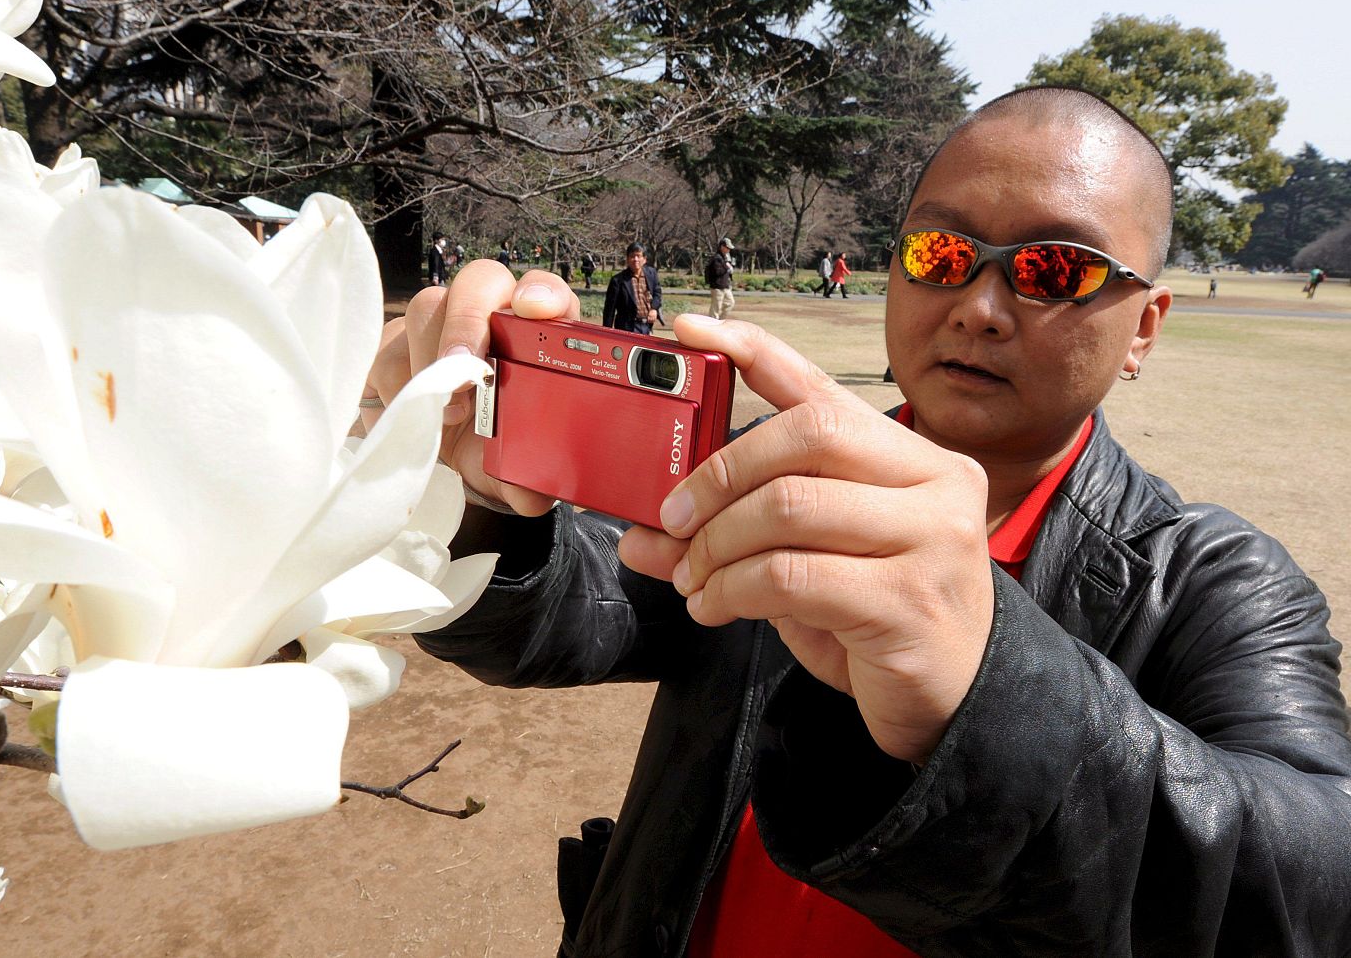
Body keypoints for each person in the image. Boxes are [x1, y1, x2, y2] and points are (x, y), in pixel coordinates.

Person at [364, 86, 1351, 956]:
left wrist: (988, 683)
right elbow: (568, 610)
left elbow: (1310, 893)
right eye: (941, 252)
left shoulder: (1214, 580)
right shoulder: (776, 482)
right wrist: (478, 499)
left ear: (1143, 325)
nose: (978, 304)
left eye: (1052, 270)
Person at [601, 242, 663, 334]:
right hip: (626, 327)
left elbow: (657, 293)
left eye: (638, 256)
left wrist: (654, 308)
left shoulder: (651, 274)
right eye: (632, 256)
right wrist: (606, 332)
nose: (635, 259)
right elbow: (609, 309)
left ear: (644, 259)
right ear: (627, 259)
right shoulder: (618, 280)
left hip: (647, 326)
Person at [704, 237, 736, 320]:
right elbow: (718, 272)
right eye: (727, 247)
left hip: (725, 286)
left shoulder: (724, 258)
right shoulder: (717, 258)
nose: (729, 250)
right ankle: (712, 324)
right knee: (716, 308)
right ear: (722, 246)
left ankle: (720, 321)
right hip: (717, 286)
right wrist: (727, 267)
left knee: (730, 303)